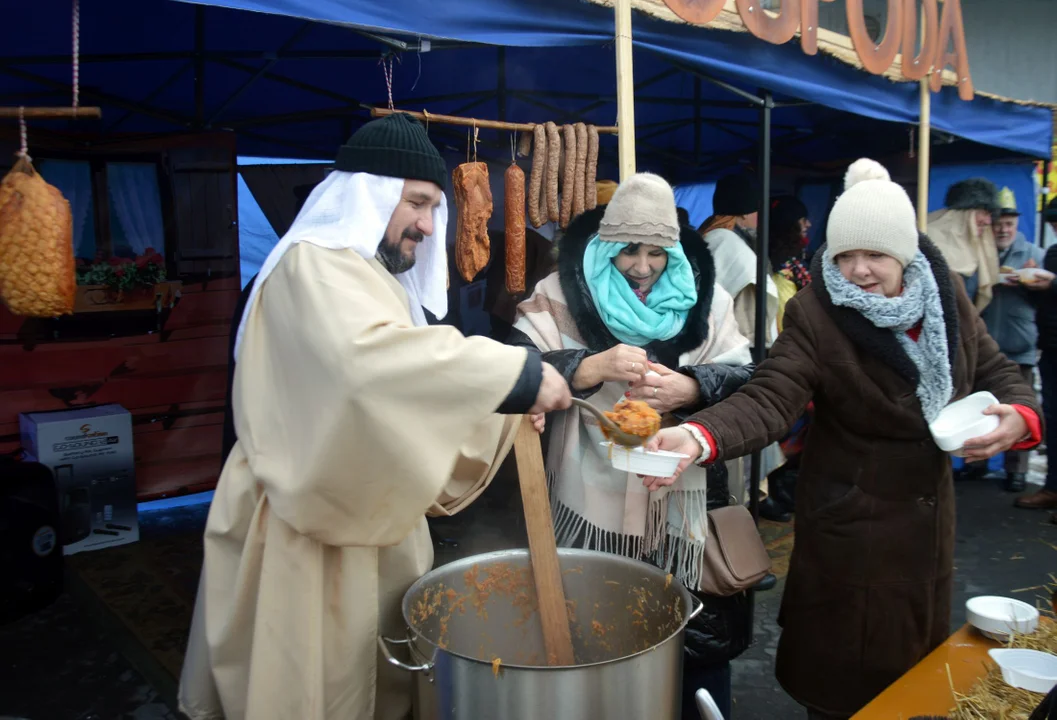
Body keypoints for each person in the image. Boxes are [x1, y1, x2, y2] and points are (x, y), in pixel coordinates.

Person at [177, 113, 572, 720]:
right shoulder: (313, 265)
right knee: (311, 691)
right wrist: (513, 376)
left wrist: (501, 414)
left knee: (377, 683)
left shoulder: (366, 276)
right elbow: (365, 366)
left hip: (370, 517)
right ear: (366, 192)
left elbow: (403, 399)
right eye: (416, 201)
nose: (426, 223)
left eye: (436, 207)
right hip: (301, 529)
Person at [646, 159, 1043, 719]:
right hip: (854, 525)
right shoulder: (816, 313)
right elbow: (771, 395)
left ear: (904, 253)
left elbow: (997, 371)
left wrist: (1020, 416)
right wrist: (697, 434)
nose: (856, 270)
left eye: (874, 256)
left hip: (929, 523)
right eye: (843, 255)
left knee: (913, 679)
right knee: (843, 682)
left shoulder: (945, 294)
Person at [508, 173, 755, 720]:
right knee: (595, 626)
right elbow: (513, 369)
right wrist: (588, 366)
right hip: (584, 492)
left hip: (684, 494)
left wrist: (691, 386)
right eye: (628, 252)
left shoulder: (704, 299)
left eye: (657, 253)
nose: (643, 268)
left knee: (689, 635)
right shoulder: (558, 295)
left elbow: (749, 379)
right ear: (604, 246)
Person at [698, 172, 786, 520]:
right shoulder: (734, 248)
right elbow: (750, 318)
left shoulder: (707, 237)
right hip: (734, 358)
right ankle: (739, 513)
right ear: (749, 212)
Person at [972, 187, 1048, 492]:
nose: (1003, 229)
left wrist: (1034, 284)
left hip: (1020, 344)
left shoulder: (1034, 255)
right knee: (981, 407)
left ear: (1016, 226)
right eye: (999, 223)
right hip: (986, 345)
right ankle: (975, 464)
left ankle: (1016, 471)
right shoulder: (979, 251)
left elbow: (1049, 300)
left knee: (1020, 406)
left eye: (1009, 224)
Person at [765, 195, 815, 516]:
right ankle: (776, 485)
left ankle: (781, 483)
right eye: (802, 220)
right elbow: (785, 315)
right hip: (789, 354)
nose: (808, 225)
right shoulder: (784, 270)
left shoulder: (793, 261)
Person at [1018, 197, 1057, 514]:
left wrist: (1053, 282)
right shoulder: (1054, 253)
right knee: (1054, 418)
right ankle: (1053, 488)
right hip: (1052, 347)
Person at [927, 177, 1000, 310]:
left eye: (990, 214)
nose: (988, 221)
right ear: (966, 212)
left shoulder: (977, 245)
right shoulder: (931, 239)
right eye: (984, 213)